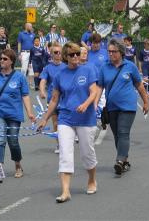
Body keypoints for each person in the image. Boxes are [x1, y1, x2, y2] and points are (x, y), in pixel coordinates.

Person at [38, 42, 99, 203]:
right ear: (66, 57)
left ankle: (92, 179)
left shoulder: (88, 70)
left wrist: (85, 104)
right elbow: (54, 100)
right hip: (65, 118)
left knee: (87, 153)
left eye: (78, 54)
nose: (76, 57)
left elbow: (94, 92)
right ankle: (65, 191)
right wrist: (44, 119)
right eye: (72, 55)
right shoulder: (60, 75)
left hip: (86, 119)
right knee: (65, 153)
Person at [96, 39, 149, 175]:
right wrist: (95, 104)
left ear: (121, 52)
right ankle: (124, 161)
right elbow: (99, 86)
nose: (111, 54)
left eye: (114, 51)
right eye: (109, 51)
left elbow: (139, 85)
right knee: (117, 135)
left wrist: (146, 102)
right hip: (112, 107)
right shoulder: (104, 67)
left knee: (123, 132)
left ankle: (119, 160)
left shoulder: (130, 66)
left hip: (128, 106)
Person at [0, 49, 35, 179]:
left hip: (14, 114)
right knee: (0, 140)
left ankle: (18, 164)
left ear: (12, 61)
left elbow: (25, 96)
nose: (1, 61)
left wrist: (30, 113)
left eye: (5, 59)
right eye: (1, 58)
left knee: (13, 141)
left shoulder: (19, 77)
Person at [39, 43, 66, 154]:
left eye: (60, 52)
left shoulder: (66, 66)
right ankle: (59, 144)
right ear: (51, 54)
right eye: (56, 52)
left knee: (65, 123)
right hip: (53, 100)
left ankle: (67, 142)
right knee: (55, 124)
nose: (58, 54)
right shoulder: (48, 68)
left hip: (65, 100)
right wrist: (42, 91)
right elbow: (43, 81)